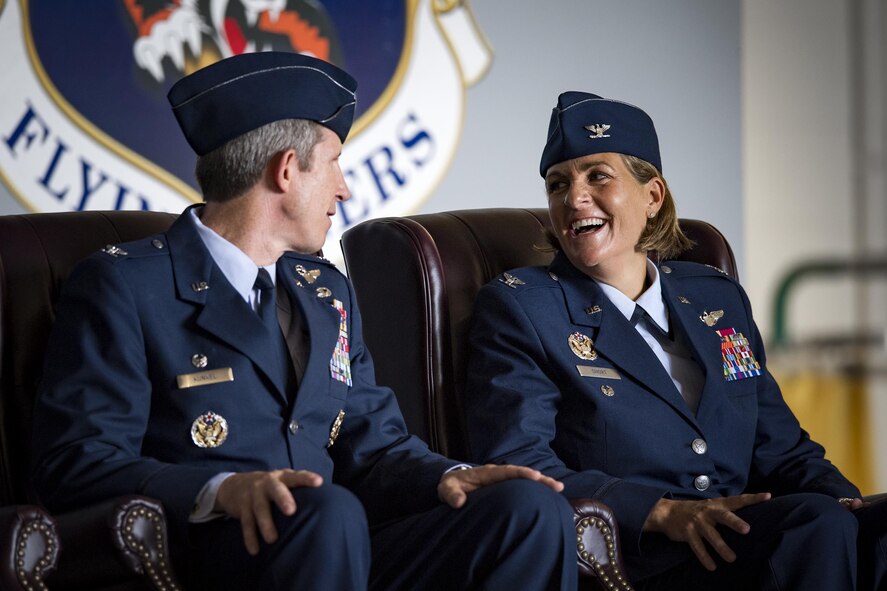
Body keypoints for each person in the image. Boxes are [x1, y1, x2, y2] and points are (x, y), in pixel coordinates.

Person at [29, 52, 578, 591]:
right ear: (287, 170)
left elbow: (374, 446)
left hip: (335, 541)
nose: (344, 187)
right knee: (326, 514)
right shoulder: (124, 284)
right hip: (213, 554)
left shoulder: (325, 290)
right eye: (335, 161)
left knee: (529, 510)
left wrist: (448, 475)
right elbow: (76, 461)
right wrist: (220, 489)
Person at [463, 90, 887, 590]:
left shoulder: (718, 297)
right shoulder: (524, 306)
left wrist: (843, 498)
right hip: (635, 553)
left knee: (859, 523)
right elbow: (522, 463)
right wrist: (662, 513)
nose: (574, 198)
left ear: (652, 196)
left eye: (598, 175)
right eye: (558, 184)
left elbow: (778, 445)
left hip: (739, 535)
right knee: (816, 526)